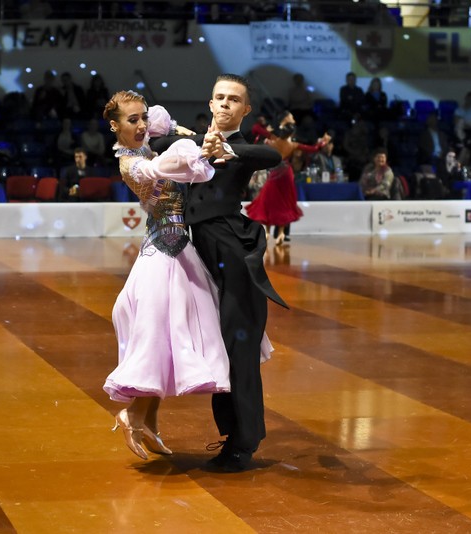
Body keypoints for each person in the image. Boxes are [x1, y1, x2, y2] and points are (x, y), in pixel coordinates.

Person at [155, 74, 287, 472]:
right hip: (202, 259)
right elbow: (157, 145)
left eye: (234, 100)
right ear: (210, 104)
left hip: (234, 253)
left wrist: (227, 147)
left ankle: (243, 443)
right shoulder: (192, 144)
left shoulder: (243, 149)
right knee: (219, 353)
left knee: (237, 353)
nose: (226, 104)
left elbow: (273, 157)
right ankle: (234, 436)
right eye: (219, 98)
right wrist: (199, 143)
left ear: (246, 110)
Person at [102, 90, 231, 460]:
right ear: (114, 126)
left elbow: (166, 124)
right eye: (132, 121)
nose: (142, 125)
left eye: (143, 117)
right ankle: (132, 414)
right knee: (159, 336)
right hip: (162, 255)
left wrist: (178, 129)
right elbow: (171, 166)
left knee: (171, 340)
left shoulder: (146, 143)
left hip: (179, 249)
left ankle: (150, 422)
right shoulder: (131, 165)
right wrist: (196, 148)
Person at [247, 111, 329, 245]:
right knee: (284, 203)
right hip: (286, 173)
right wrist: (323, 142)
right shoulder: (293, 145)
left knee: (269, 200)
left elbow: (256, 131)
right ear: (291, 133)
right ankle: (281, 233)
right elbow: (314, 148)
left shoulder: (273, 140)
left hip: (274, 172)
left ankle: (267, 231)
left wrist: (263, 129)